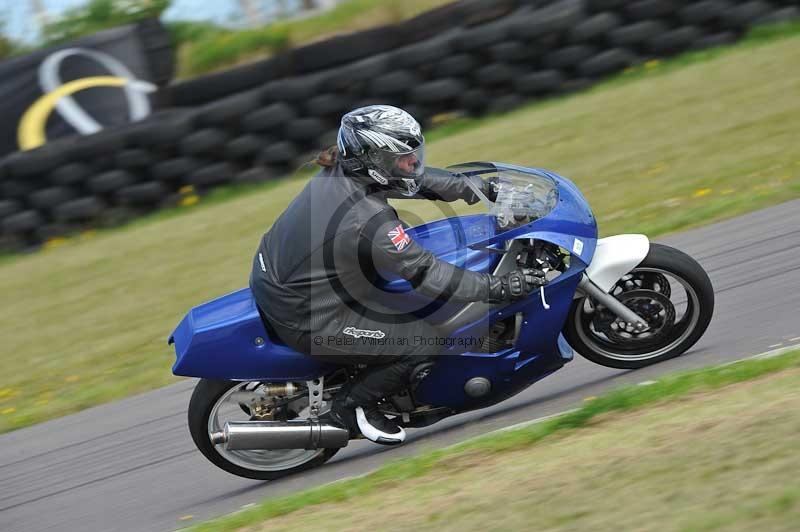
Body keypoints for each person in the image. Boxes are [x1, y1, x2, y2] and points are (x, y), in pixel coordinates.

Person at [249, 105, 545, 445]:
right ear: (373, 160)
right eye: (402, 157)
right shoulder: (368, 219)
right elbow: (427, 274)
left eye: (413, 153)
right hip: (309, 315)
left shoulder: (348, 169)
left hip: (287, 277)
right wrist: (498, 287)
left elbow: (417, 180)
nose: (412, 162)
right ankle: (350, 409)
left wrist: (481, 188)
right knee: (422, 340)